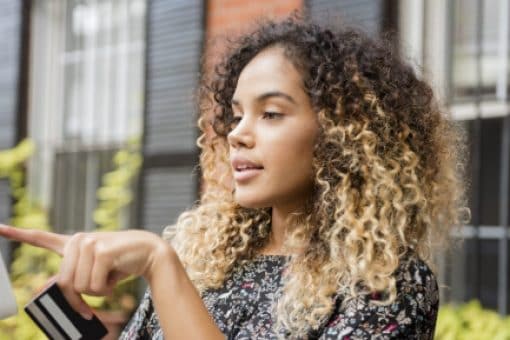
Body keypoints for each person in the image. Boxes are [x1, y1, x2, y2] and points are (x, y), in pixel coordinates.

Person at [0, 15, 466, 339]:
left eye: (271, 114)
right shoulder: (209, 260)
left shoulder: (388, 284)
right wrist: (69, 320)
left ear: (344, 134)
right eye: (236, 115)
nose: (237, 135)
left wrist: (160, 264)